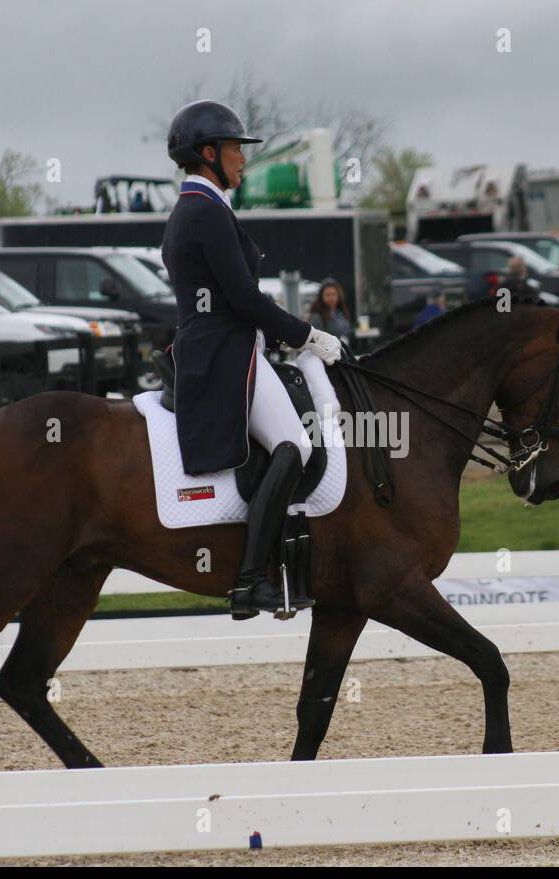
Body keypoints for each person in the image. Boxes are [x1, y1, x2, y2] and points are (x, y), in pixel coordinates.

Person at [162, 99, 343, 619]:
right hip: (224, 351)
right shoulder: (204, 211)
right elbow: (243, 297)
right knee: (295, 444)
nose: (243, 159)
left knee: (290, 444)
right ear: (208, 152)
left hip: (226, 343)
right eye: (237, 150)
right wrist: (307, 335)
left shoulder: (200, 208)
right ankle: (251, 582)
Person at [306, 278, 353, 343]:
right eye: (327, 294)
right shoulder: (317, 316)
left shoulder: (340, 312)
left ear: (338, 295)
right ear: (321, 297)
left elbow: (347, 329)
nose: (331, 298)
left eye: (333, 294)